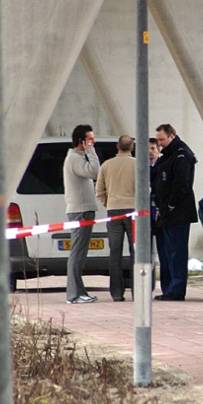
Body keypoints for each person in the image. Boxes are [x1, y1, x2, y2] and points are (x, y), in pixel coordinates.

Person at [151, 124, 197, 301]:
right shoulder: (168, 156)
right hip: (165, 212)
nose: (160, 144)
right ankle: (169, 288)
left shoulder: (181, 155)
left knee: (176, 252)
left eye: (162, 140)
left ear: (171, 136)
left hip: (178, 212)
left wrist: (169, 206)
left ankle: (176, 290)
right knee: (166, 252)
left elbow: (181, 185)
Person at [95, 135, 136, 302]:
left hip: (113, 211)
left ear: (117, 146)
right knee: (136, 252)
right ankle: (137, 291)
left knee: (115, 252)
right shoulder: (137, 164)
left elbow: (99, 191)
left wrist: (109, 204)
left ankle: (117, 293)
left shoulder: (106, 165)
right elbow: (146, 189)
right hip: (133, 211)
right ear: (132, 148)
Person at [63, 124, 100, 304]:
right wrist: (91, 152)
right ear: (81, 141)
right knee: (77, 253)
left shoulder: (77, 157)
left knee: (80, 253)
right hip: (80, 211)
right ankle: (74, 294)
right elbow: (94, 171)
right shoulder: (75, 159)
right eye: (90, 139)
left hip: (83, 210)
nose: (93, 142)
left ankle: (80, 291)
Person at [149, 137, 171, 293]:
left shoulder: (164, 167)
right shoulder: (138, 169)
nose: (150, 152)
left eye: (153, 148)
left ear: (158, 150)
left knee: (164, 253)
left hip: (159, 215)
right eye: (147, 149)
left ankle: (166, 287)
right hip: (143, 217)